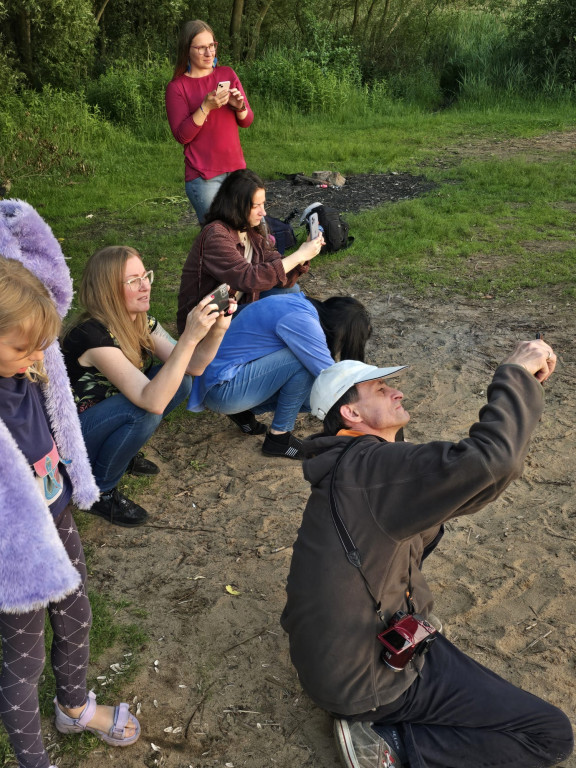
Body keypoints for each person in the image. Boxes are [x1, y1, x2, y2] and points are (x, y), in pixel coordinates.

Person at [281, 347, 574, 768]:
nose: (397, 392)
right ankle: (392, 746)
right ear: (352, 414)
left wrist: (524, 399)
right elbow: (493, 460)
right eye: (381, 389)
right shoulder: (373, 471)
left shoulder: (351, 468)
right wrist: (514, 375)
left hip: (340, 662)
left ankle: (380, 722)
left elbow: (473, 488)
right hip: (368, 681)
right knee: (549, 734)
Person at [0, 200, 141, 768]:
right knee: (22, 659)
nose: (38, 358)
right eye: (23, 347)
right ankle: (34, 759)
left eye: (41, 346)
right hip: (17, 546)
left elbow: (43, 280)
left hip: (54, 507)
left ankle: (74, 707)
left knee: (78, 611)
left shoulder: (26, 365)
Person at [62, 245, 234, 527]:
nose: (145, 286)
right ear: (107, 290)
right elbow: (151, 400)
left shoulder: (141, 322)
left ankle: (119, 452)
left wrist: (217, 330)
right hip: (75, 438)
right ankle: (99, 492)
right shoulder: (91, 334)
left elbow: (194, 367)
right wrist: (189, 338)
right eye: (133, 281)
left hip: (106, 416)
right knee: (145, 409)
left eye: (145, 276)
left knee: (180, 383)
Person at [188, 293, 372, 459]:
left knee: (312, 386)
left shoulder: (298, 302)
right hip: (222, 390)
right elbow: (334, 379)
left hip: (218, 381)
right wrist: (370, 414)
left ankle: (244, 413)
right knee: (306, 369)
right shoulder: (303, 322)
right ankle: (279, 439)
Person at [177, 169, 323, 333]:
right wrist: (300, 254)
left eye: (263, 204)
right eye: (256, 206)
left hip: (236, 305)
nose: (264, 212)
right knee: (283, 314)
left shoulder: (250, 230)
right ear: (236, 205)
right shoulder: (216, 235)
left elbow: (277, 271)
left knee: (291, 292)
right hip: (207, 324)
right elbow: (249, 278)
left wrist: (303, 256)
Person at [166, 19, 254, 224]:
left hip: (236, 171)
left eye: (212, 45)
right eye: (201, 48)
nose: (209, 53)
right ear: (186, 50)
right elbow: (181, 135)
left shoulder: (227, 74)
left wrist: (239, 106)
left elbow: (247, 120)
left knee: (250, 232)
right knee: (220, 239)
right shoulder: (177, 87)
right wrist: (206, 107)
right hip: (203, 177)